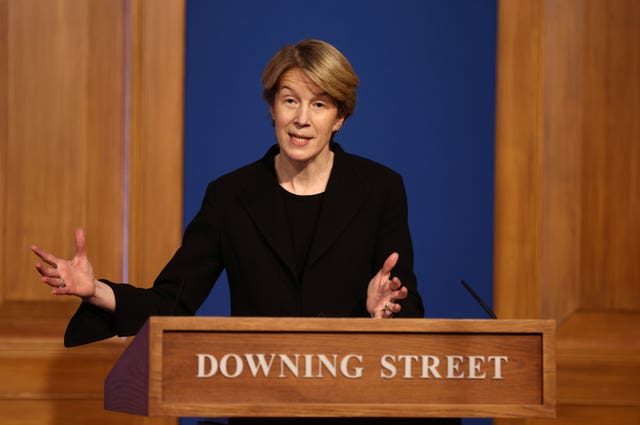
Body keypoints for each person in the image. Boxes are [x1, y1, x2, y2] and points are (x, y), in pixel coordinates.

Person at [32, 39, 456, 424]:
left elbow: (406, 301)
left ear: (341, 117)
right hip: (260, 408)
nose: (302, 120)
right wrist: (95, 292)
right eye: (290, 101)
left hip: (354, 408)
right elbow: (172, 301)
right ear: (271, 107)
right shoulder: (231, 196)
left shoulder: (379, 188)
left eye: (320, 105)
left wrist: (384, 313)